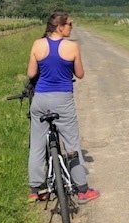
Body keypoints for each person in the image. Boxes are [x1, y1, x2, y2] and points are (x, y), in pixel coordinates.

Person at [26, 11, 100, 204]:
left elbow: (31, 73)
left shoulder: (37, 44)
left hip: (40, 99)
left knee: (36, 145)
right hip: (63, 100)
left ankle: (35, 189)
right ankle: (82, 190)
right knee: (72, 144)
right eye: (69, 24)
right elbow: (80, 74)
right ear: (60, 26)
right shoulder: (72, 47)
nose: (71, 27)